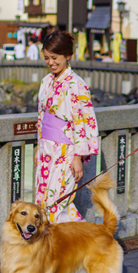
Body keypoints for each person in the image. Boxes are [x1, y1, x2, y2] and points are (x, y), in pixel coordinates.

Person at [35, 31, 100, 223]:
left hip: (66, 151)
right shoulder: (46, 81)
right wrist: (39, 149)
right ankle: (80, 244)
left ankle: (79, 244)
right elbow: (41, 117)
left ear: (68, 56)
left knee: (55, 204)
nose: (50, 62)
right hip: (47, 148)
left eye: (55, 58)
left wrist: (78, 156)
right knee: (46, 201)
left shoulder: (76, 84)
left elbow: (82, 121)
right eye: (47, 58)